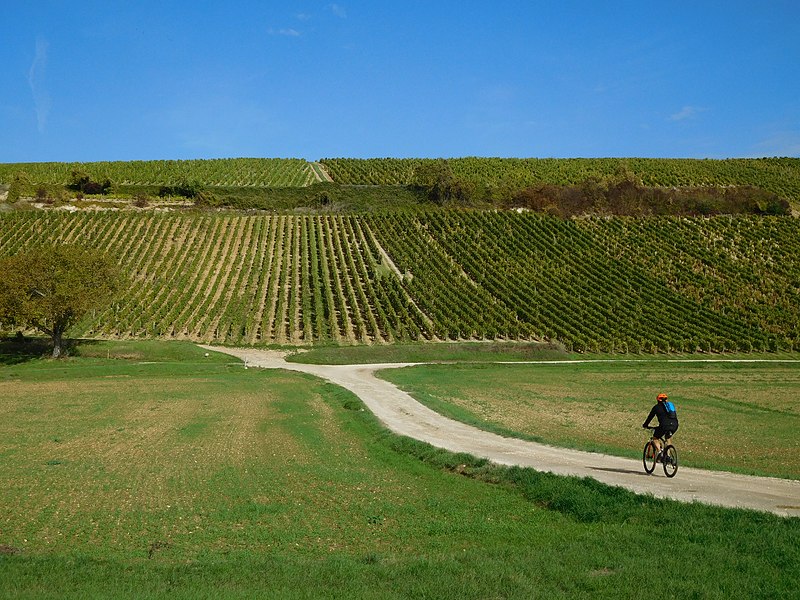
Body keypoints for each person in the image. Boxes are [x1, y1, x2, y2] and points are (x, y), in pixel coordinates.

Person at [642, 393, 679, 459]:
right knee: (668, 438)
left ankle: (659, 452)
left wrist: (645, 425)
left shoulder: (656, 407)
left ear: (658, 400)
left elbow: (650, 417)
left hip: (664, 425)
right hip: (675, 425)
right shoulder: (670, 406)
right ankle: (668, 456)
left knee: (655, 438)